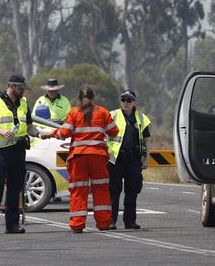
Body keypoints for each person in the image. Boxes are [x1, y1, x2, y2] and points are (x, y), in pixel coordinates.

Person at [44, 86, 119, 233]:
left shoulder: (74, 113)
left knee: (78, 191)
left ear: (79, 99)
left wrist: (50, 133)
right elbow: (114, 131)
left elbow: (64, 133)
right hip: (98, 158)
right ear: (93, 97)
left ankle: (77, 225)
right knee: (101, 190)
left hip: (78, 158)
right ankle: (104, 223)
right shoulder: (103, 112)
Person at [0, 75, 42, 235]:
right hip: (0, 152)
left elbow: (28, 127)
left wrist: (40, 133)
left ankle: (12, 225)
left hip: (18, 151)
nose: (23, 92)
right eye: (21, 88)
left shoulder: (24, 103)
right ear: (12, 86)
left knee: (15, 189)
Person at [107, 90, 151, 230]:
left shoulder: (141, 117)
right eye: (123, 100)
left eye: (129, 100)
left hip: (133, 159)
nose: (125, 103)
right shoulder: (112, 115)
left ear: (134, 102)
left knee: (132, 192)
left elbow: (147, 139)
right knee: (114, 191)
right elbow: (103, 135)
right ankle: (111, 221)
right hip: (115, 159)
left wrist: (147, 158)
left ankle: (130, 221)